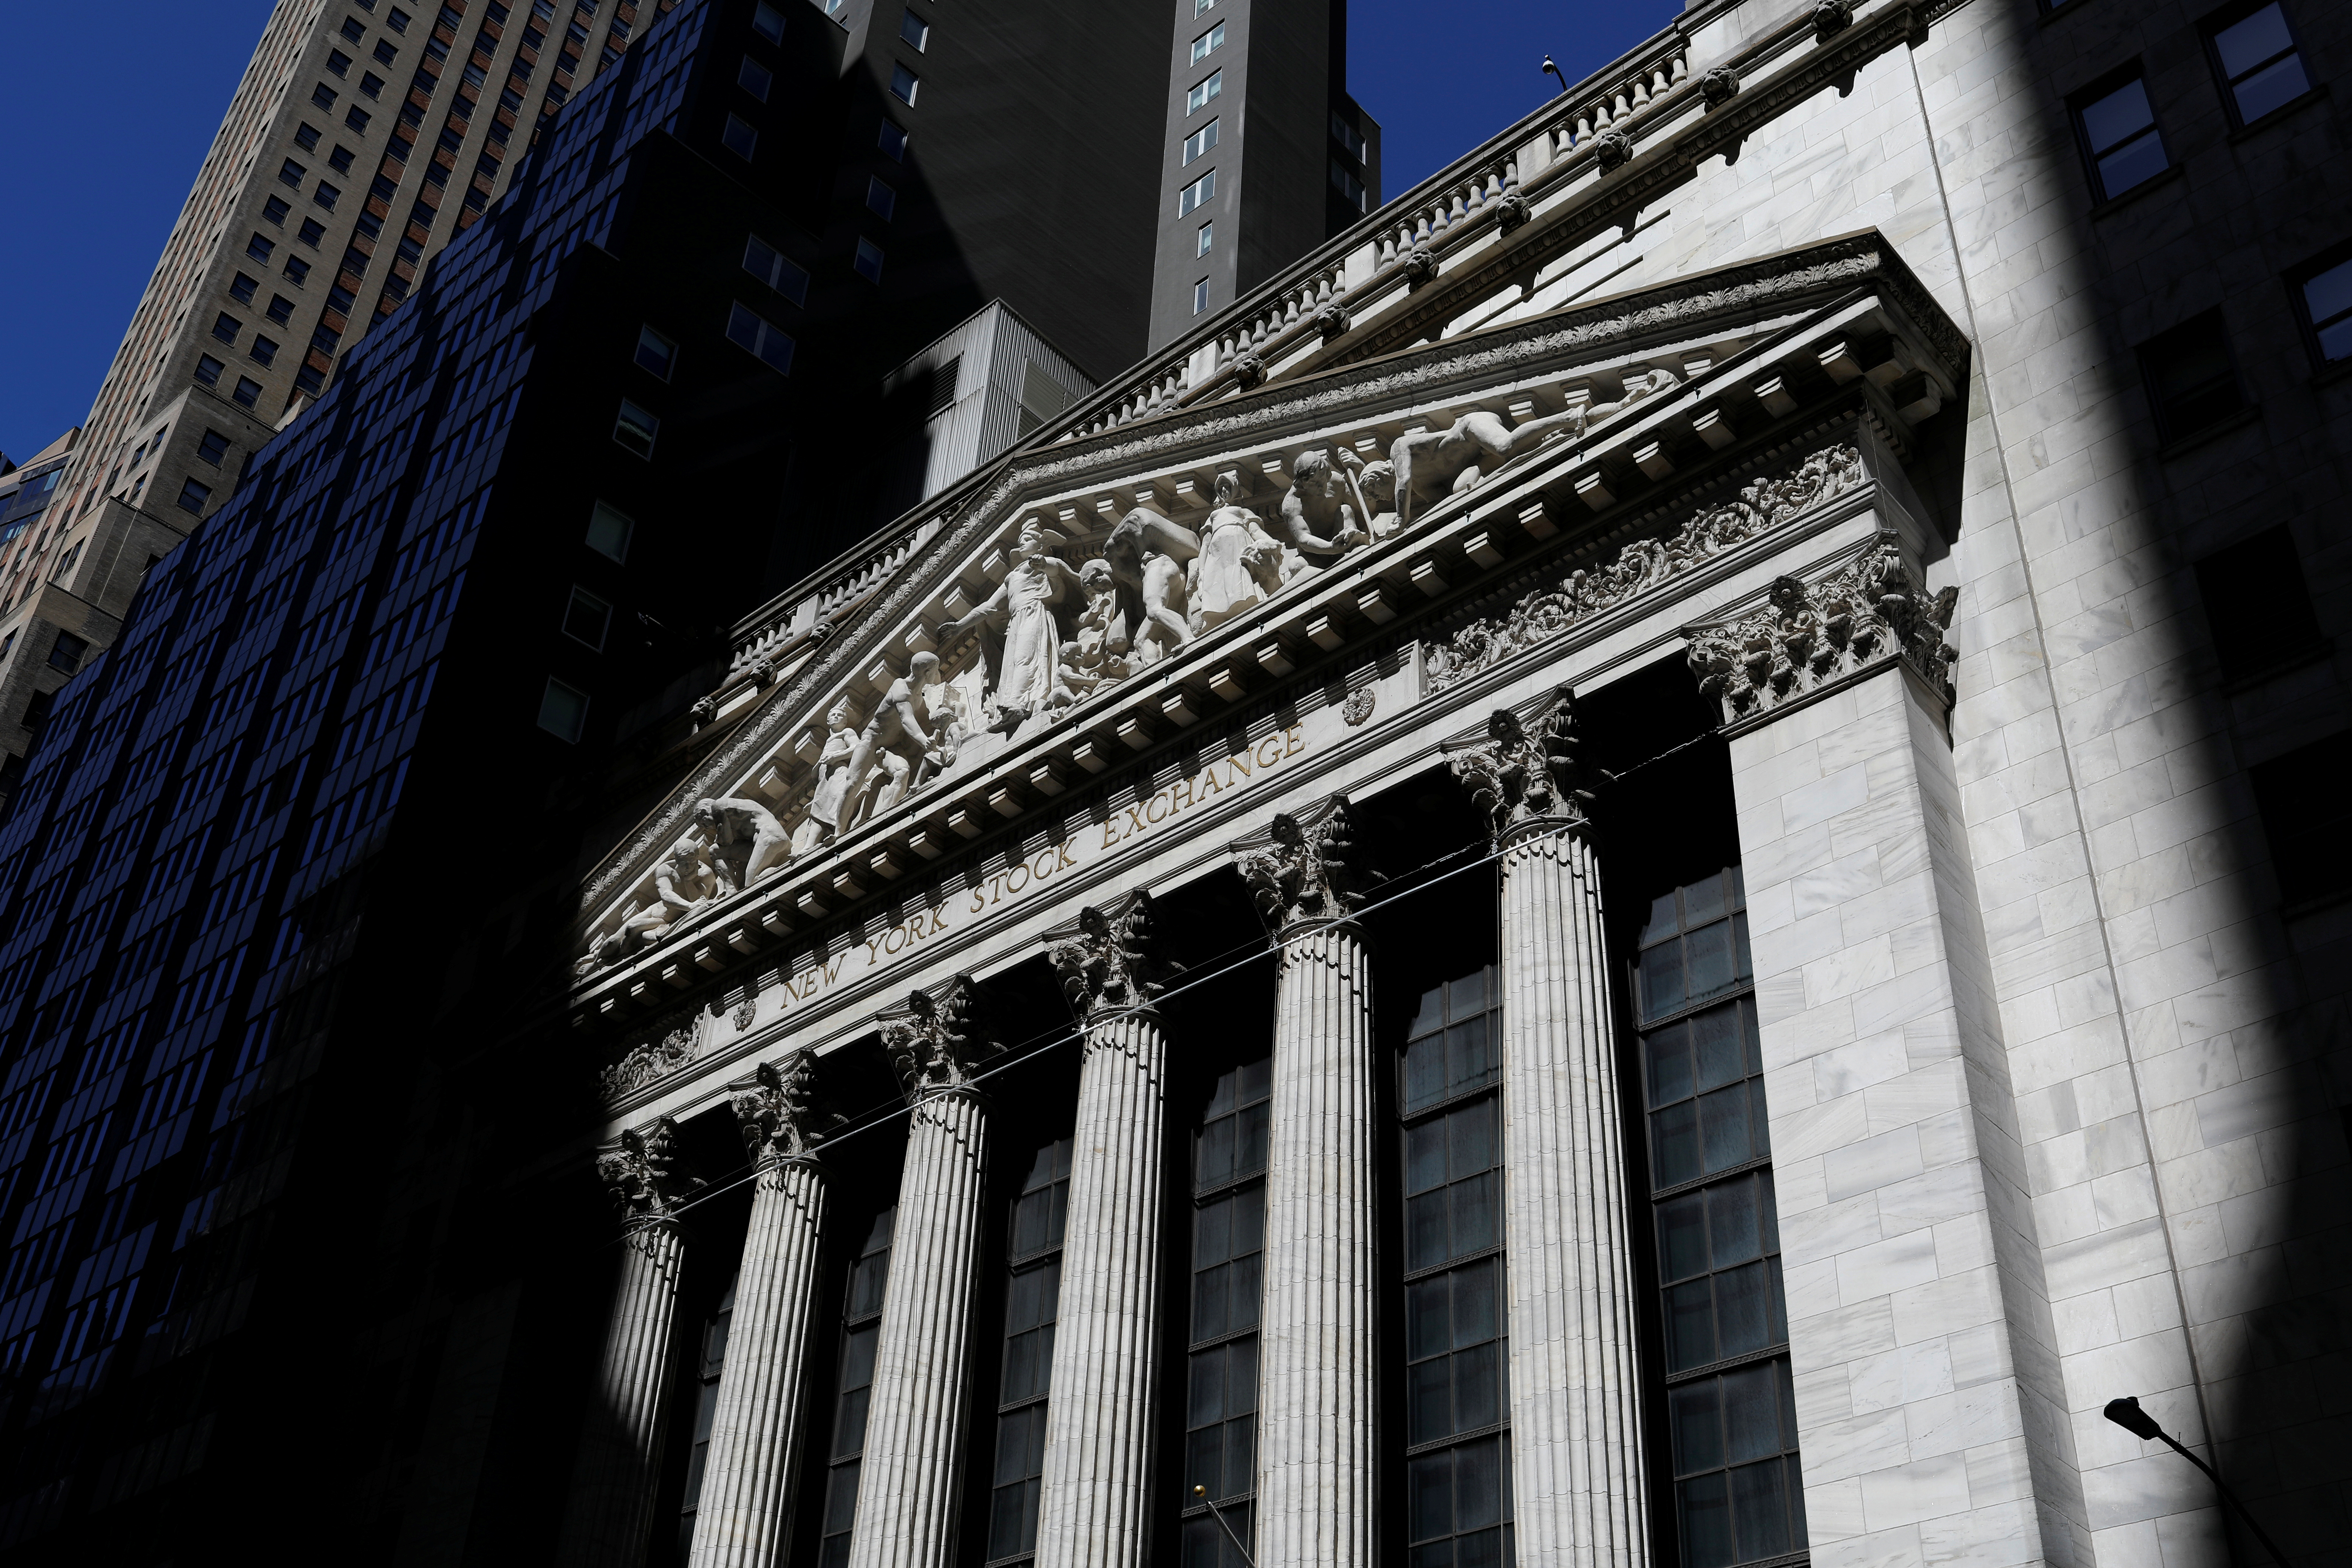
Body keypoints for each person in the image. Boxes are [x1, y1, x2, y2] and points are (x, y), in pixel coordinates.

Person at [943, 519, 1086, 734]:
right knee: (1012, 665)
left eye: (1027, 540)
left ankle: (1021, 705)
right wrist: (960, 626)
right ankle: (1012, 706)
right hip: (1017, 622)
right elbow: (989, 607)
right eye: (1020, 542)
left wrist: (1043, 564)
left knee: (1025, 659)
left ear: (1040, 545)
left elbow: (1057, 572)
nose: (1021, 545)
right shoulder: (1012, 578)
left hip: (1034, 614)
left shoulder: (1043, 565)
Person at [828, 652, 953, 835]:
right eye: (934, 670)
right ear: (927, 672)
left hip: (894, 746)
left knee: (903, 772)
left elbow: (939, 686)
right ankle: (839, 833)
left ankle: (885, 818)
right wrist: (924, 741)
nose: (936, 674)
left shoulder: (921, 689)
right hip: (873, 740)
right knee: (853, 783)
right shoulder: (901, 687)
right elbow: (907, 719)